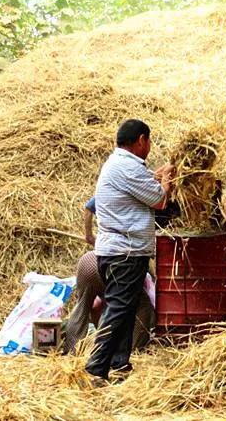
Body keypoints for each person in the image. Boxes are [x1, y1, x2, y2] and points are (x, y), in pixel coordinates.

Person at [85, 118, 174, 383]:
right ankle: (95, 367)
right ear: (141, 140)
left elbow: (146, 187)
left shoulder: (120, 164)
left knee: (124, 307)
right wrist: (168, 180)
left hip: (119, 251)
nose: (149, 147)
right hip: (124, 252)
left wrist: (159, 177)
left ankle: (119, 363)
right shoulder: (127, 167)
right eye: (149, 142)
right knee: (119, 308)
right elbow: (159, 200)